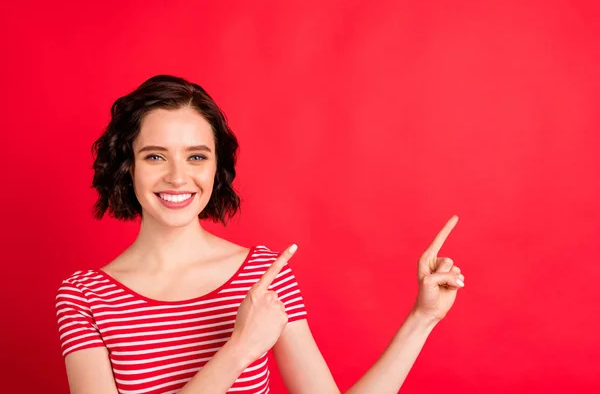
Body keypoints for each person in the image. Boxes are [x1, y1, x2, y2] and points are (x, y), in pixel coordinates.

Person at [55, 74, 466, 394]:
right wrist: (239, 349)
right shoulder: (84, 297)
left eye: (196, 156)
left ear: (216, 169)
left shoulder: (264, 273)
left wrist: (422, 318)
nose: (178, 176)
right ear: (128, 167)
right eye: (155, 156)